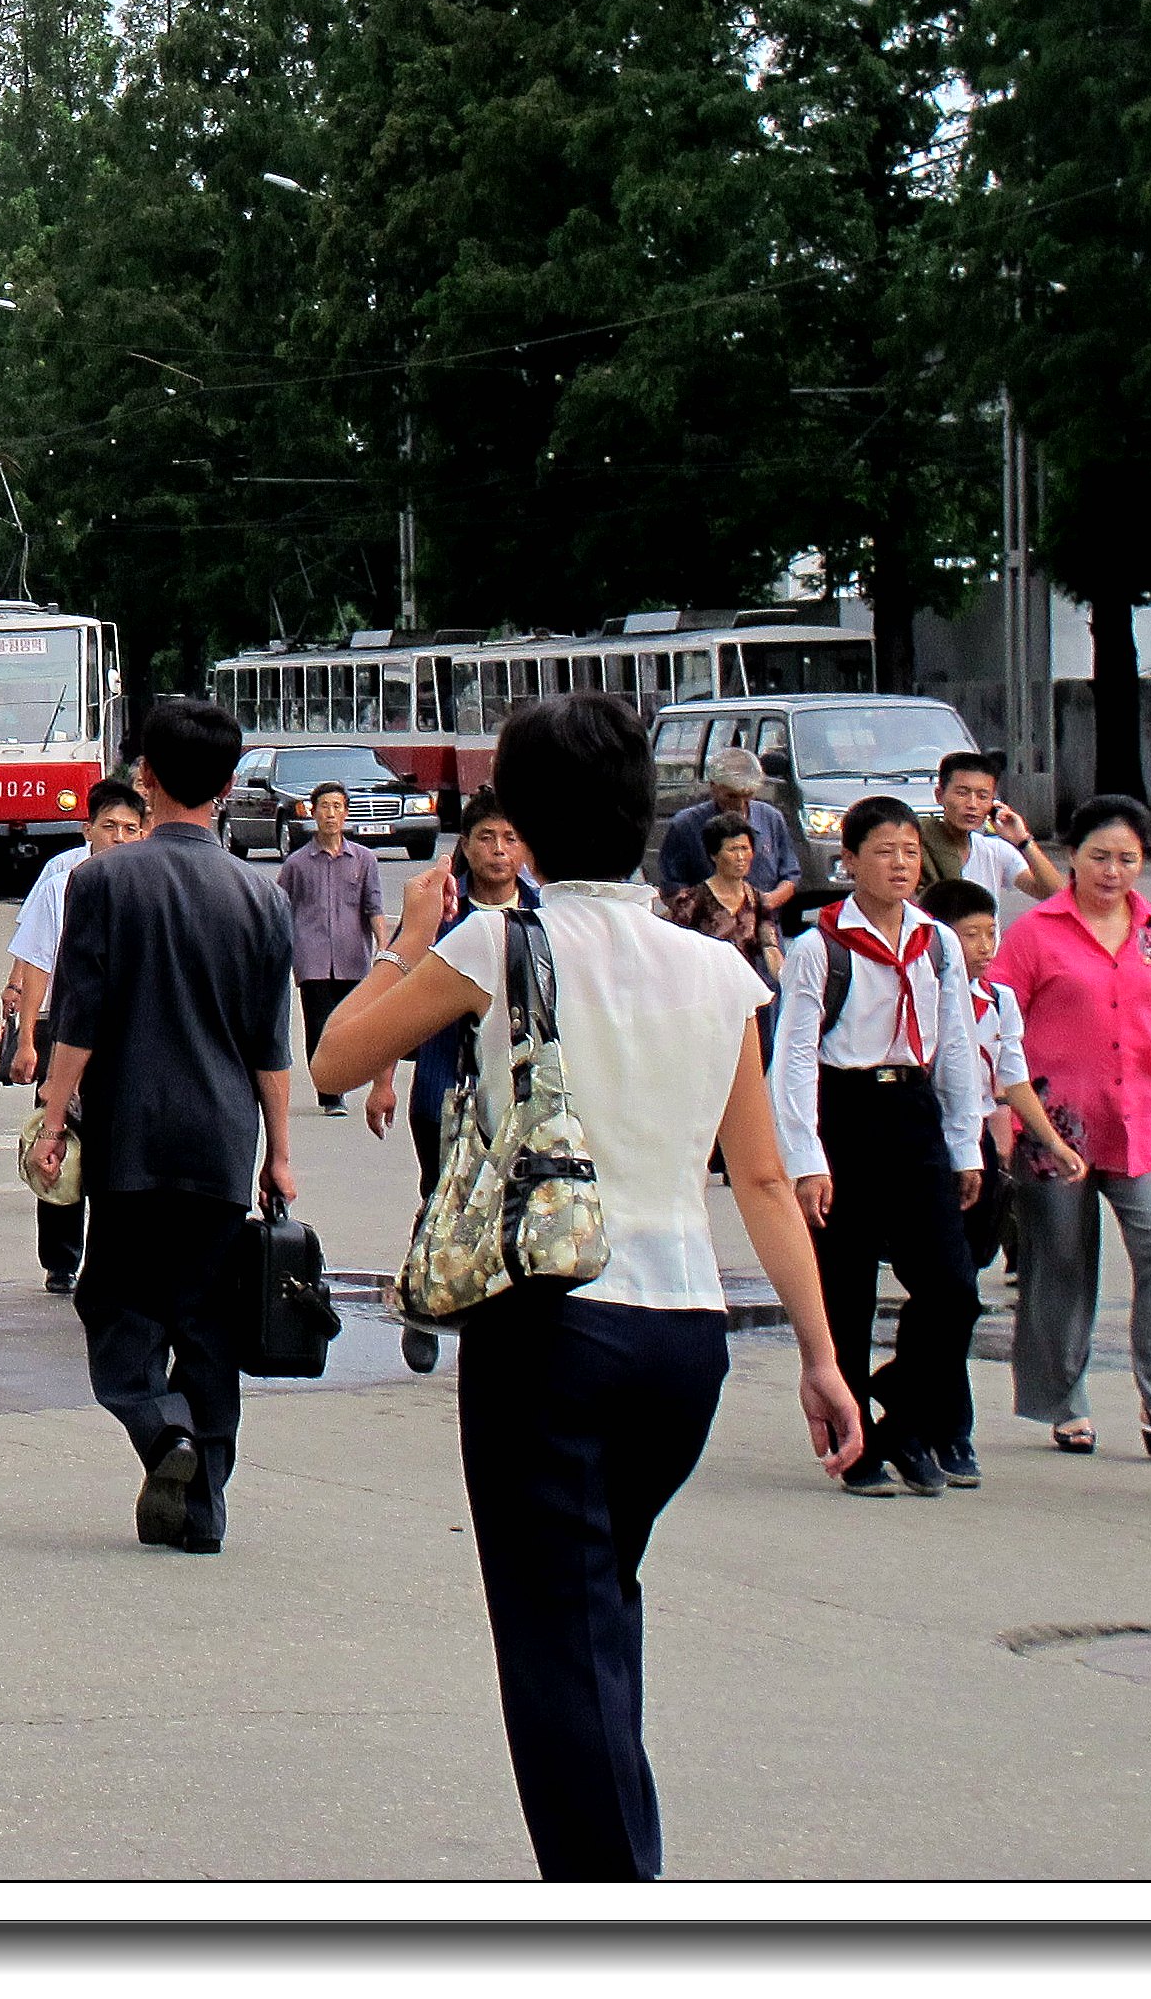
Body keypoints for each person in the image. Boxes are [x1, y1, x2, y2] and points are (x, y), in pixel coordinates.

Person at [306, 691, 862, 1882]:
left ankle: (613, 1899)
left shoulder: (499, 941)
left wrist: (409, 931)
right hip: (685, 1338)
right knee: (602, 1603)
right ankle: (621, 1863)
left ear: (528, 824)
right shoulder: (717, 971)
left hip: (552, 1328)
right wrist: (820, 1355)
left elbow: (337, 1056)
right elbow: (761, 1178)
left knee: (554, 1634)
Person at [26, 699, 292, 1556]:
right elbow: (269, 1045)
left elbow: (80, 1016)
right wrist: (280, 1153)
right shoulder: (260, 895)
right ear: (225, 785)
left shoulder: (101, 881)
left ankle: (159, 1430)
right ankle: (204, 1512)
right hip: (222, 1140)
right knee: (207, 1324)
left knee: (114, 1304)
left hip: (132, 1137)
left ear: (145, 782)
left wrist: (54, 1117)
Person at [772, 796, 986, 1497]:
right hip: (847, 1111)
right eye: (885, 852)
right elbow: (796, 1058)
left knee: (952, 1287)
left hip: (914, 1109)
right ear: (851, 861)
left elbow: (956, 1043)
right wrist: (805, 1161)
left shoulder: (938, 942)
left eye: (910, 852)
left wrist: (966, 1144)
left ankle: (903, 1420)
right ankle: (853, 1437)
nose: (901, 864)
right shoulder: (819, 947)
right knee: (847, 1287)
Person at [989, 796, 1151, 1462]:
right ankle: (1068, 1404)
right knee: (1060, 1263)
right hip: (1054, 1127)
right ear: (1073, 857)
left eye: (1127, 859)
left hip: (1143, 1119)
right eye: (1099, 857)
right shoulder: (1036, 933)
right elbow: (1002, 1029)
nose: (1112, 872)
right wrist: (1005, 1118)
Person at [361, 788, 540, 1372]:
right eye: (486, 838)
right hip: (442, 1086)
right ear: (464, 845)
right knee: (442, 1197)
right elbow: (397, 992)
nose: (498, 851)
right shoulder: (439, 911)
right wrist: (383, 1080)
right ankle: (424, 1303)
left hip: (519, 1090)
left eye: (510, 839)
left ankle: (499, 1307)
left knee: (512, 1200)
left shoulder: (541, 913)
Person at [0, 776, 148, 1292]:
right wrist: (27, 1039)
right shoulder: (61, 876)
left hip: (128, 1031)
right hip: (66, 1024)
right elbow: (37, 959)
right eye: (110, 827)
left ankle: (112, 1258)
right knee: (57, 1132)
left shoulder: (151, 881)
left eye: (131, 828)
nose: (120, 837)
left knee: (117, 1145)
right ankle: (61, 1259)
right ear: (88, 829)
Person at [925, 876, 1085, 1303]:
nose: (984, 946)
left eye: (991, 933)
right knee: (943, 1269)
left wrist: (1054, 1143)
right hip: (927, 1136)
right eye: (970, 935)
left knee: (976, 1252)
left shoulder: (1000, 1000)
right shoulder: (921, 995)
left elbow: (1014, 1079)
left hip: (978, 1139)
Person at [276, 782, 386, 1115]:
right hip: (312, 959)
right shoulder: (297, 864)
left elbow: (374, 907)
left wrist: (384, 946)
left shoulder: (363, 860)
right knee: (320, 1025)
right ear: (313, 812)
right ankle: (330, 1094)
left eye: (338, 807)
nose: (331, 814)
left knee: (348, 1025)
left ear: (346, 812)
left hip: (353, 956)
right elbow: (282, 909)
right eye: (324, 806)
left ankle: (343, 1078)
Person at [927, 753, 1065, 911]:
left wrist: (1023, 840)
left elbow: (1055, 894)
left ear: (993, 803)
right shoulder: (918, 848)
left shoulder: (996, 851)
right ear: (939, 795)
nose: (972, 804)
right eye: (962, 793)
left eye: (982, 796)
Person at [657, 747, 796, 898]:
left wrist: (769, 901)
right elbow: (672, 885)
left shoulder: (771, 818)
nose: (740, 804)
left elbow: (790, 874)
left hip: (764, 916)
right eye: (732, 796)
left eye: (748, 795)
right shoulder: (686, 824)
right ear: (713, 786)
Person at [655, 818, 772, 994]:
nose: (740, 857)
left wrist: (787, 977)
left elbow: (770, 946)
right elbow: (669, 949)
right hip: (703, 993)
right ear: (714, 855)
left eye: (744, 849)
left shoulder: (757, 900)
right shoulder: (692, 901)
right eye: (732, 850)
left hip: (742, 996)